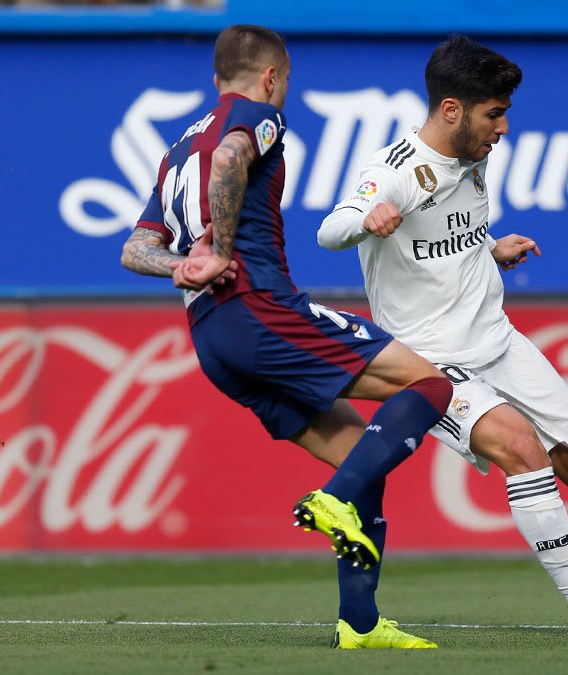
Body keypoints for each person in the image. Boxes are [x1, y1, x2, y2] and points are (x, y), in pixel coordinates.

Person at [317, 35, 568, 635]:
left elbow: (447, 238)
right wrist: (365, 220)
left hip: (499, 342)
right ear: (451, 109)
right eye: (494, 114)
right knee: (522, 450)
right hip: (430, 366)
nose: (503, 128)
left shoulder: (472, 156)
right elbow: (331, 228)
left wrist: (488, 249)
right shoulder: (394, 171)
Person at [120, 24, 452, 649]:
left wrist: (181, 266)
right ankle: (335, 498)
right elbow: (230, 159)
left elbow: (136, 248)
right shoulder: (255, 116)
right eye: (287, 82)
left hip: (211, 337)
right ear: (271, 77)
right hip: (259, 309)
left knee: (364, 454)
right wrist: (218, 250)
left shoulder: (174, 151)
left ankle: (360, 624)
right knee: (431, 383)